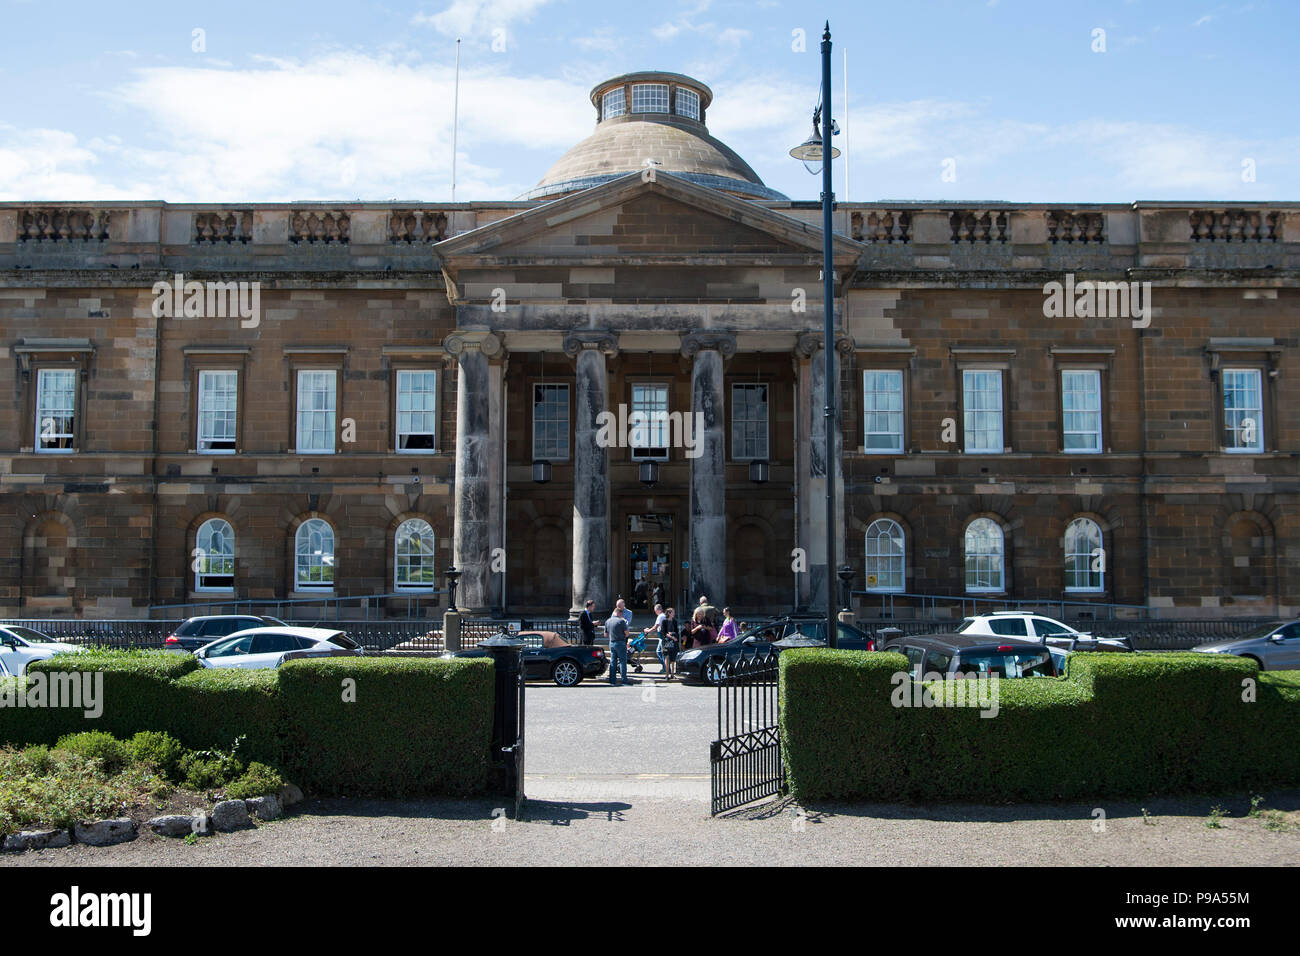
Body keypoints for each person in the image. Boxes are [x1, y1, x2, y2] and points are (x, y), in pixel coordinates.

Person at [605, 608, 633, 685]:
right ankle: (624, 680)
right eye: (621, 614)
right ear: (619, 613)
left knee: (613, 662)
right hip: (620, 642)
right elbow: (627, 633)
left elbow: (605, 634)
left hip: (612, 642)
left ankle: (612, 680)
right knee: (622, 661)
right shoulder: (621, 621)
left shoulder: (608, 621)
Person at [642, 603, 668, 672]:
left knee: (660, 652)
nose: (655, 612)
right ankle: (665, 668)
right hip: (662, 636)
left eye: (655, 611)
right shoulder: (664, 615)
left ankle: (666, 668)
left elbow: (655, 627)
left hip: (662, 636)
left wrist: (648, 630)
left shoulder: (660, 616)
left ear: (657, 610)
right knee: (660, 652)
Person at [659, 606, 680, 680]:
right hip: (666, 641)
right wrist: (670, 636)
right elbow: (663, 632)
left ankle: (673, 674)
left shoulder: (675, 621)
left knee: (673, 658)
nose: (674, 613)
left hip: (673, 641)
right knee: (667, 657)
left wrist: (674, 635)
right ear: (669, 613)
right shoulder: (664, 621)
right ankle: (667, 674)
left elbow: (677, 632)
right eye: (673, 612)